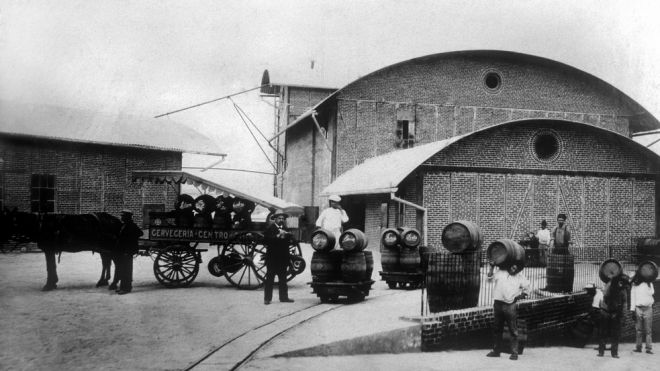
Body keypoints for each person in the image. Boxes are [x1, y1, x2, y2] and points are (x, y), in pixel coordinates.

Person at [486, 262, 530, 361]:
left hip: (510, 305)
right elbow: (489, 280)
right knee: (497, 328)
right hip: (498, 303)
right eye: (513, 266)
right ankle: (496, 351)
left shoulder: (520, 277)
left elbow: (527, 289)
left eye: (516, 268)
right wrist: (491, 268)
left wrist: (518, 297)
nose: (514, 269)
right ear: (510, 265)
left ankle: (514, 353)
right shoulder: (500, 272)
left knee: (513, 329)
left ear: (519, 269)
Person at [263, 209, 294, 304]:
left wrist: (288, 236)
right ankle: (267, 299)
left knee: (283, 279)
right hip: (272, 258)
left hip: (283, 258)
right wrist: (277, 236)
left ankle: (284, 298)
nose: (281, 220)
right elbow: (266, 241)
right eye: (279, 218)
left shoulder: (285, 228)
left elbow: (291, 241)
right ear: (275, 219)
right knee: (270, 279)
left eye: (282, 218)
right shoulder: (270, 228)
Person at [598, 274, 630, 358]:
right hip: (605, 311)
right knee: (603, 332)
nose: (622, 284)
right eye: (621, 282)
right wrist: (613, 286)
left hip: (615, 313)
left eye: (623, 283)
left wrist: (624, 316)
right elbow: (605, 296)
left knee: (615, 334)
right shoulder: (609, 285)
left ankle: (614, 353)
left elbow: (624, 303)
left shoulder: (623, 290)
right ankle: (601, 351)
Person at [115, 209, 143, 295]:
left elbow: (140, 233)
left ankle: (126, 288)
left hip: (127, 252)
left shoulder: (131, 226)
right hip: (124, 251)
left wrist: (130, 246)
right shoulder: (125, 225)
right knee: (124, 270)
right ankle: (124, 287)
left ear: (127, 217)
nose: (121, 217)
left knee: (126, 270)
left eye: (123, 216)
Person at [630, 273, 654, 354]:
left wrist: (648, 285)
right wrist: (632, 310)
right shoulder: (634, 285)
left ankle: (648, 348)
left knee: (648, 330)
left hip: (648, 308)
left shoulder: (649, 283)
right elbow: (632, 298)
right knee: (639, 330)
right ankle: (638, 347)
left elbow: (652, 293)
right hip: (638, 308)